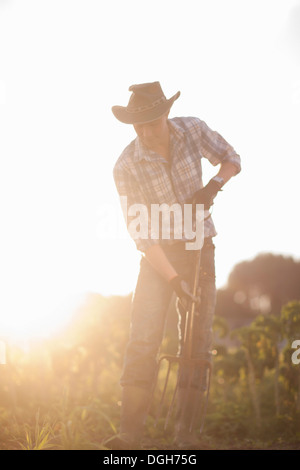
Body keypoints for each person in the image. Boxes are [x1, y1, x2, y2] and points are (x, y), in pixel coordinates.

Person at [110, 82, 241, 449]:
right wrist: (171, 277)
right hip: (157, 259)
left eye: (152, 123)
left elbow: (232, 158)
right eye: (138, 126)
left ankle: (187, 437)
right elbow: (141, 233)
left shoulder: (192, 130)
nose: (146, 133)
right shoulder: (126, 165)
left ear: (166, 113)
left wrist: (212, 186)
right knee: (143, 338)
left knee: (197, 341)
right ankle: (130, 435)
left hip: (200, 248)